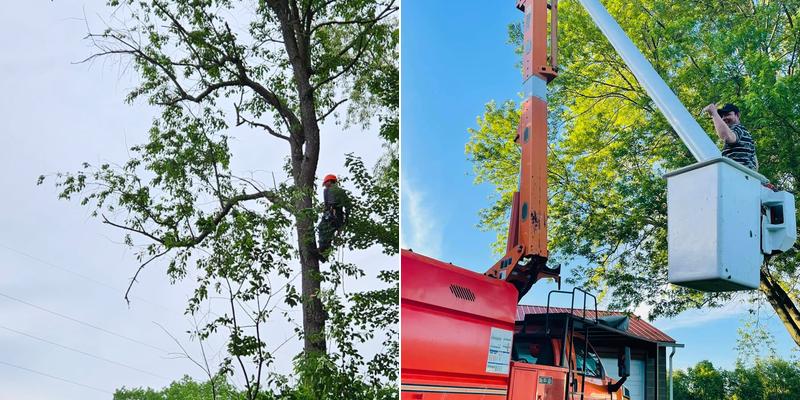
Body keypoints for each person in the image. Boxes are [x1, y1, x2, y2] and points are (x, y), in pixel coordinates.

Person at [703, 103, 758, 171]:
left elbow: (727, 137)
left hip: (737, 174)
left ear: (737, 115)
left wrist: (714, 113)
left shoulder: (737, 128)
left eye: (727, 114)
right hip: (744, 176)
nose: (724, 118)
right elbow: (756, 163)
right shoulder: (746, 134)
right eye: (722, 116)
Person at [316, 174, 350, 262]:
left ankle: (322, 251)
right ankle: (324, 254)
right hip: (333, 216)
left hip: (334, 216)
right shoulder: (332, 191)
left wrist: (345, 221)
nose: (325, 185)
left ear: (330, 181)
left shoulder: (335, 191)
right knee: (326, 233)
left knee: (324, 229)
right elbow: (328, 205)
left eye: (326, 183)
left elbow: (346, 206)